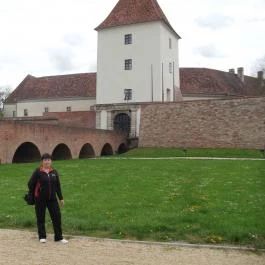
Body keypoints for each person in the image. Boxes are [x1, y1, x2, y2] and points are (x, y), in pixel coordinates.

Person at [28, 153, 68, 243]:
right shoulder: (37, 171)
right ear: (42, 162)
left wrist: (61, 198)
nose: (47, 161)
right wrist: (35, 194)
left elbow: (58, 186)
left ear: (51, 161)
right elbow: (30, 184)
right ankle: (42, 236)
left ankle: (58, 237)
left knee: (57, 216)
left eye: (49, 160)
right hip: (40, 199)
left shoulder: (54, 172)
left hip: (52, 199)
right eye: (45, 160)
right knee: (40, 217)